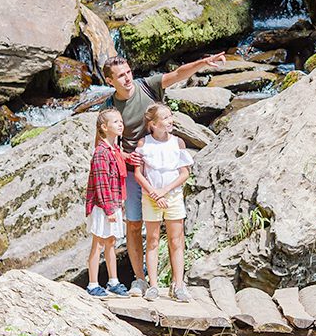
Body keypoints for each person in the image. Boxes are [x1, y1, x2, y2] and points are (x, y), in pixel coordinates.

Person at [102, 52, 225, 297]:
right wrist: (124, 158)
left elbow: (177, 75)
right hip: (133, 171)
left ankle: (177, 284)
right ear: (109, 81)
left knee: (172, 229)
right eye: (120, 76)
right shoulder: (109, 107)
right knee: (135, 226)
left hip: (163, 169)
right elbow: (104, 143)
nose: (127, 79)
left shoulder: (147, 87)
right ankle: (140, 280)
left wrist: (201, 63)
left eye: (128, 72)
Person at [135, 103, 195, 302]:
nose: (171, 121)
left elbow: (184, 173)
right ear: (153, 124)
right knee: (152, 240)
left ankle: (179, 285)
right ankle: (153, 286)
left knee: (176, 241)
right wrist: (154, 194)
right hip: (151, 197)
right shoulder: (144, 144)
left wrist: (164, 192)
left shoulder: (178, 143)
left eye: (171, 117)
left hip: (172, 196)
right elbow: (138, 174)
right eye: (166, 118)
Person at [83, 109, 131, 298]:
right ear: (104, 127)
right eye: (116, 122)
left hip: (114, 203)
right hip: (103, 206)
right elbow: (101, 183)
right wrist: (109, 209)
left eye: (121, 121)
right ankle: (92, 283)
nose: (121, 124)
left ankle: (113, 281)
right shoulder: (101, 152)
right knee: (98, 243)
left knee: (111, 242)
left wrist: (118, 205)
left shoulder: (115, 150)